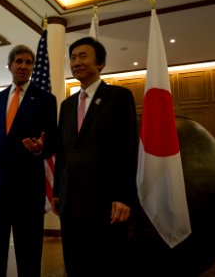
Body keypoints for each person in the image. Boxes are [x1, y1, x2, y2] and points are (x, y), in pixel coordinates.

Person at [51, 37, 139, 277]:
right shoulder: (67, 105)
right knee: (74, 262)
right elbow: (64, 150)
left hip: (105, 202)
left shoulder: (119, 97)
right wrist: (58, 190)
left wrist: (122, 196)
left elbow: (127, 148)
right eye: (73, 57)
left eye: (83, 56)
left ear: (100, 63)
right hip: (70, 202)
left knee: (104, 263)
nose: (76, 62)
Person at [0, 44, 58, 276]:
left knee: (29, 254)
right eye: (19, 61)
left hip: (27, 190)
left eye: (28, 62)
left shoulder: (46, 99)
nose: (24, 66)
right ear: (10, 66)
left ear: (33, 67)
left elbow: (52, 141)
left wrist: (39, 149)